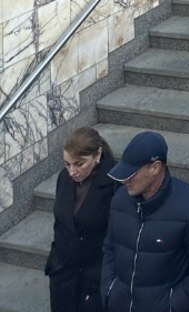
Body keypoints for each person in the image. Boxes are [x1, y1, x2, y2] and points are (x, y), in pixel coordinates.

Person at [102, 130, 189, 312]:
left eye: (132, 173)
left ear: (155, 168)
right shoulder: (120, 200)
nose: (124, 180)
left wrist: (171, 305)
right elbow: (110, 249)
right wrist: (109, 290)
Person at [45, 127, 116, 311]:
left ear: (97, 155)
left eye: (79, 164)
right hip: (63, 275)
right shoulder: (64, 178)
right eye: (67, 164)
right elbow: (60, 223)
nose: (72, 171)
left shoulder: (115, 182)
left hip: (94, 278)